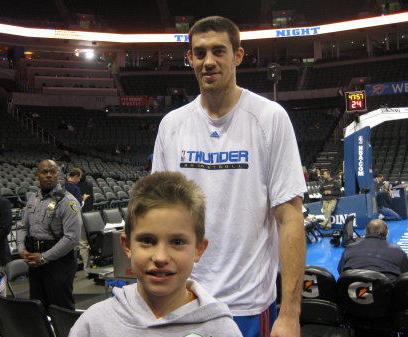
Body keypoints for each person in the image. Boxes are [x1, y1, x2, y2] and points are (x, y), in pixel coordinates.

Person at [152, 16, 306, 337]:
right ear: (190, 58)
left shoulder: (269, 118)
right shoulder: (172, 125)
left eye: (219, 51)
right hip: (185, 302)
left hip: (247, 305)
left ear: (237, 56)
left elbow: (289, 218)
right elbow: (159, 217)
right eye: (200, 53)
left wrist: (290, 315)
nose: (208, 62)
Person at [69, 171, 242, 337]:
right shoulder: (93, 325)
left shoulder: (222, 330)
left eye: (177, 242)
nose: (160, 257)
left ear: (199, 249)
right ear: (127, 246)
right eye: (147, 241)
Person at [17, 159, 81, 309]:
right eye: (44, 172)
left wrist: (44, 257)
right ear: (37, 175)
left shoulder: (68, 201)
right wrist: (21, 249)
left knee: (60, 310)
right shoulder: (33, 199)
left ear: (58, 175)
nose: (49, 175)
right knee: (38, 307)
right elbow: (22, 227)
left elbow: (71, 238)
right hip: (35, 260)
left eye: (53, 172)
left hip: (58, 262)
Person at [338, 219, 408, 283]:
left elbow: (341, 271)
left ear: (366, 232)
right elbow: (405, 277)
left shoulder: (350, 249)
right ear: (386, 234)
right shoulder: (398, 252)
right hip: (386, 294)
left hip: (352, 293)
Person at [76, 170, 93, 270]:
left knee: (82, 242)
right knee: (86, 241)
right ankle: (88, 266)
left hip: (80, 215)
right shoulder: (90, 184)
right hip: (90, 214)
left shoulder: (75, 187)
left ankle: (86, 268)